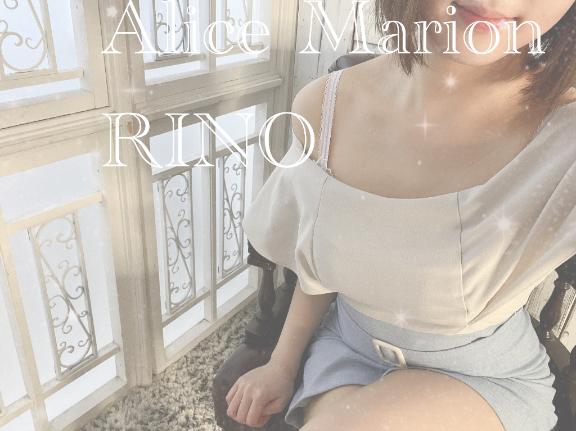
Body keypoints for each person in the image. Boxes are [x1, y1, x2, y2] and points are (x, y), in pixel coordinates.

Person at [225, 1, 576, 430]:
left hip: (479, 376)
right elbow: (317, 265)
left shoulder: (565, 135)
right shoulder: (323, 109)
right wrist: (281, 364)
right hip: (346, 351)